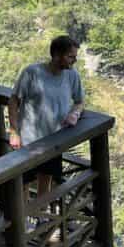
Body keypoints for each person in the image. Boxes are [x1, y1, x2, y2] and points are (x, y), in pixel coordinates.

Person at [7, 35, 84, 197]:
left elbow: (79, 102)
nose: (74, 61)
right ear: (56, 55)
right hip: (28, 141)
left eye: (75, 57)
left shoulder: (72, 76)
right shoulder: (32, 73)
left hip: (54, 141)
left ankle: (42, 219)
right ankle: (23, 219)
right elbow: (13, 101)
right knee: (23, 183)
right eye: (70, 56)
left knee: (46, 181)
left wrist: (74, 114)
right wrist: (14, 131)